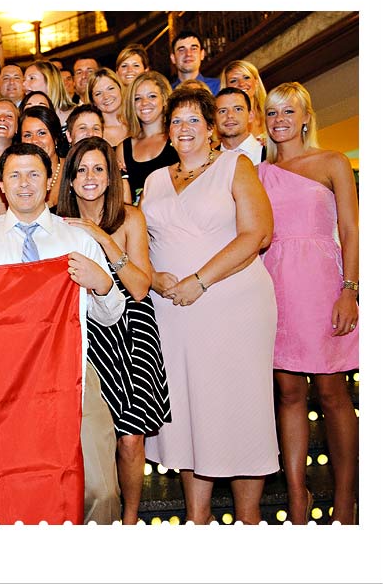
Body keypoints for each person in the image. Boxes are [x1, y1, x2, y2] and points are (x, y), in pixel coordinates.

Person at [0, 142, 125, 525]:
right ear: (0, 185)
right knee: (14, 485)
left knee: (101, 489)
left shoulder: (79, 240)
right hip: (3, 381)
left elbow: (112, 316)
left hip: (74, 373)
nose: (25, 184)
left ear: (50, 180)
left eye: (34, 174)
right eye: (14, 175)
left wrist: (102, 284)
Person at [140, 87, 277, 524]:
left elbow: (257, 234)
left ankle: (248, 520)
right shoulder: (155, 180)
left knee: (240, 408)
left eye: (193, 120)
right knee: (188, 410)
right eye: (176, 121)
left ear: (212, 128)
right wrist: (155, 277)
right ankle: (197, 521)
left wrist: (200, 280)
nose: (183, 129)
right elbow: (142, 242)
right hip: (173, 313)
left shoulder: (234, 166)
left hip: (232, 305)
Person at [56, 136, 171, 525]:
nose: (90, 177)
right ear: (69, 179)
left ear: (111, 176)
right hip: (85, 329)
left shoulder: (131, 217)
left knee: (131, 436)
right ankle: (99, 509)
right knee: (96, 433)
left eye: (99, 169)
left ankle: (130, 521)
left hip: (132, 330)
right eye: (81, 170)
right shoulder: (56, 219)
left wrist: (102, 237)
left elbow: (140, 286)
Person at [259, 82, 359, 525]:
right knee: (288, 392)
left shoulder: (333, 162)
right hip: (274, 284)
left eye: (288, 111)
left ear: (305, 117)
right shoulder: (257, 172)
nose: (279, 120)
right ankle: (296, 497)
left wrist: (350, 289)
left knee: (334, 392)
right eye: (272, 112)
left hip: (323, 284)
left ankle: (345, 497)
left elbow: (352, 231)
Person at [117, 71, 178, 204]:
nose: (144, 103)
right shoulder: (124, 148)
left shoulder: (178, 139)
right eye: (138, 98)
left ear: (164, 99)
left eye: (152, 96)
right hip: (138, 221)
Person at [19, 105, 69, 210]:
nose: (34, 141)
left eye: (42, 133)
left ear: (55, 138)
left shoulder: (72, 168)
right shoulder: (17, 177)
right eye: (28, 135)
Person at [215, 86, 265, 165]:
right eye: (222, 111)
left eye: (238, 109)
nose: (230, 115)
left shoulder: (271, 156)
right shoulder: (208, 161)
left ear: (250, 116)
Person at [221, 59, 267, 140]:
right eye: (233, 81)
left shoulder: (271, 113)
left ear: (256, 83)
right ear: (226, 87)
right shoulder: (224, 119)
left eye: (246, 77)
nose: (241, 84)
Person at [24, 60, 77, 127]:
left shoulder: (77, 115)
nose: (24, 84)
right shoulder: (25, 116)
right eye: (24, 79)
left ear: (50, 81)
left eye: (32, 78)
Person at [169, 30, 221, 95]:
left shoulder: (219, 87)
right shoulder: (168, 92)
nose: (188, 54)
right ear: (173, 58)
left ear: (202, 54)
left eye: (194, 49)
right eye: (181, 50)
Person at [87, 68, 127, 147]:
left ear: (120, 89)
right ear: (93, 101)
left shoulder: (139, 123)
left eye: (110, 89)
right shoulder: (94, 134)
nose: (106, 97)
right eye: (98, 93)